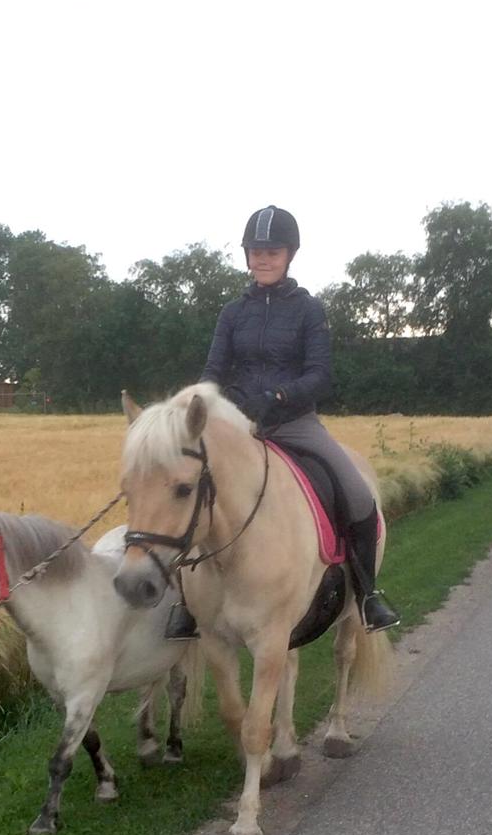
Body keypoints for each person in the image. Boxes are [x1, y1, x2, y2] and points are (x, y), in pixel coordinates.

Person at [165, 204, 400, 640]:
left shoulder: (309, 309)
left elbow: (319, 374)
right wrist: (200, 403)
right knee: (187, 491)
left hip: (294, 423)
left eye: (272, 250)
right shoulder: (232, 313)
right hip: (237, 426)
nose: (263, 258)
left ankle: (367, 595)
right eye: (255, 250)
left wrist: (280, 395)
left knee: (358, 498)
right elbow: (213, 372)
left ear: (289, 254)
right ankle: (186, 603)